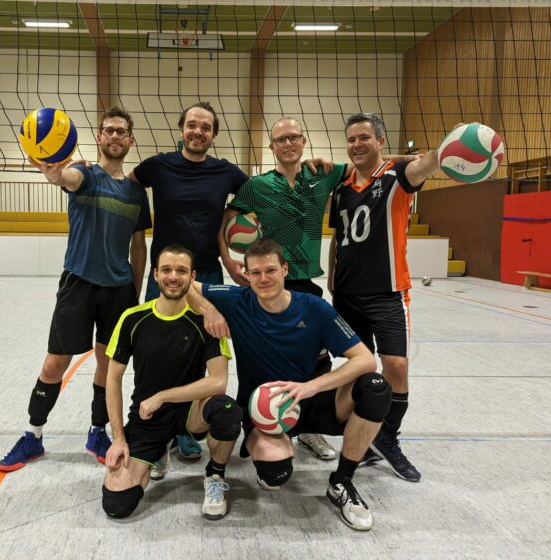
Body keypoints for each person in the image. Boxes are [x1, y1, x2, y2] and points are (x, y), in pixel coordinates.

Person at [189, 239, 391, 531]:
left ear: (285, 269)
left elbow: (365, 359)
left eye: (271, 270)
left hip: (306, 397)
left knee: (375, 387)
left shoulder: (314, 308)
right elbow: (188, 286)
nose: (263, 279)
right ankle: (270, 455)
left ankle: (341, 482)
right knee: (275, 474)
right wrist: (209, 310)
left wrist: (312, 387)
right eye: (255, 272)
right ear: (246, 275)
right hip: (262, 409)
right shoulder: (238, 300)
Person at [0, 107, 151, 471]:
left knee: (107, 365)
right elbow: (65, 178)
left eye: (121, 131)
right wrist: (54, 172)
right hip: (78, 284)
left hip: (119, 290)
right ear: (99, 137)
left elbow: (138, 245)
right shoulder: (85, 173)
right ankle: (33, 435)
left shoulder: (136, 193)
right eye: (109, 130)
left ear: (130, 140)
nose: (115, 136)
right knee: (55, 363)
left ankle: (97, 432)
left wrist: (136, 292)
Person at [219, 117, 347, 462]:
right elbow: (226, 222)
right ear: (272, 146)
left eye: (293, 137)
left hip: (305, 284)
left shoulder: (323, 175)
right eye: (280, 139)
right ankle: (259, 417)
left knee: (317, 361)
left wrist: (416, 158)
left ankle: (308, 428)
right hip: (268, 282)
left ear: (303, 141)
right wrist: (229, 261)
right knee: (265, 356)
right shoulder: (255, 186)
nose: (288, 144)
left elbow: (370, 163)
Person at [128, 101, 248, 460]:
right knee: (154, 354)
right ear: (181, 129)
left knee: (198, 355)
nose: (198, 132)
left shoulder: (226, 172)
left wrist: (229, 250)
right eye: (192, 125)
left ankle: (182, 428)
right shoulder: (157, 166)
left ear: (213, 135)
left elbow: (260, 194)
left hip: (206, 273)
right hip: (165, 275)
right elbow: (123, 182)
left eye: (206, 127)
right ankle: (152, 424)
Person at [327, 112, 441, 483]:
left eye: (364, 137)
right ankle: (359, 436)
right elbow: (339, 237)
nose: (357, 144)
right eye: (351, 139)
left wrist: (453, 144)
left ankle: (387, 438)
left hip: (388, 293)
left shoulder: (398, 177)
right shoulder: (341, 188)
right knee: (357, 368)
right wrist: (331, 277)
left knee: (396, 365)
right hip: (347, 294)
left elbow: (428, 163)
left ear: (380, 141)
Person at [101, 245, 241, 520]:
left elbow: (218, 382)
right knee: (117, 504)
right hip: (147, 415)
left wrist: (163, 396)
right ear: (155, 274)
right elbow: (113, 380)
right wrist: (118, 439)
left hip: (190, 411)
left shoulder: (207, 323)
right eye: (166, 270)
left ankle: (214, 476)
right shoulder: (132, 318)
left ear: (192, 277)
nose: (173, 276)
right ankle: (158, 450)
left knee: (227, 411)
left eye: (181, 271)